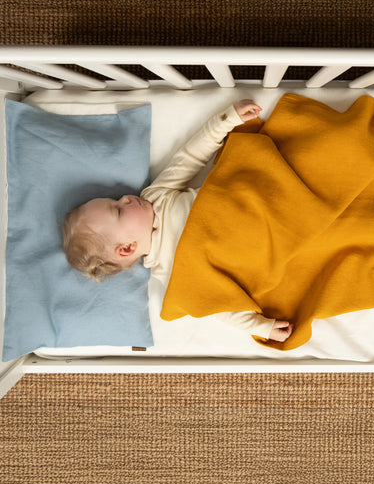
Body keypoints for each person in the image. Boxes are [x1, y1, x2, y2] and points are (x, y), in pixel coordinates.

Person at [62, 99, 294, 343]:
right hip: (263, 249)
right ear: (127, 248)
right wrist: (260, 327)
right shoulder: (169, 272)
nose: (125, 198)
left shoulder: (155, 197)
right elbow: (217, 306)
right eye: (118, 210)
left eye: (115, 199)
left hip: (257, 203)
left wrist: (226, 120)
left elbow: (189, 158)